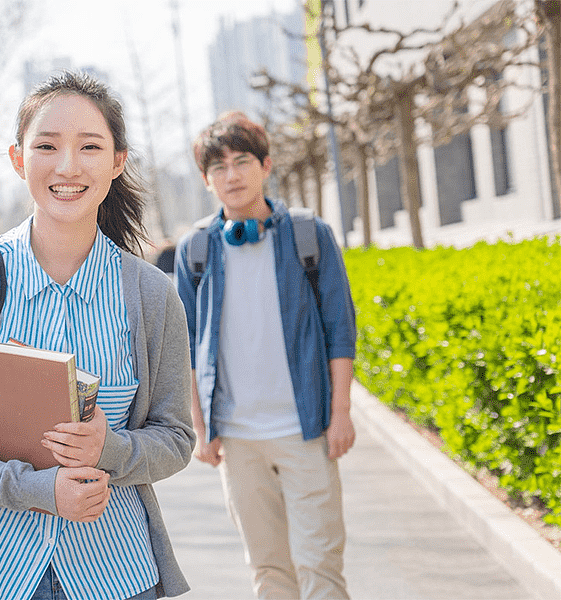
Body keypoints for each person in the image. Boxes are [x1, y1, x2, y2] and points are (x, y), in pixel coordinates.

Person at [0, 71, 195, 600]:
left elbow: (174, 438)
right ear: (18, 159)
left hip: (118, 573)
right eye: (47, 146)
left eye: (90, 147)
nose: (67, 166)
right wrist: (33, 490)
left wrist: (110, 447)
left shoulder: (151, 295)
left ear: (117, 161)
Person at [173, 111, 357, 600]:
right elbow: (187, 345)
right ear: (207, 181)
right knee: (268, 571)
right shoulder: (195, 249)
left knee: (321, 567)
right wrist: (201, 427)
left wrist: (340, 413)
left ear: (266, 165)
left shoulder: (308, 236)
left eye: (241, 161)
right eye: (218, 168)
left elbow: (340, 329)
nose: (231, 175)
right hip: (237, 440)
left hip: (306, 430)